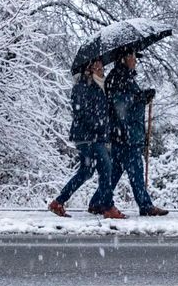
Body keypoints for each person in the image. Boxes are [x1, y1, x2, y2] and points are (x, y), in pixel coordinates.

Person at [49, 59, 127, 219]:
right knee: (106, 168)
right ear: (89, 69)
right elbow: (80, 112)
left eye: (101, 65)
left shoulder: (101, 86)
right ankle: (108, 207)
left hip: (95, 136)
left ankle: (58, 202)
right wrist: (99, 125)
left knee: (86, 171)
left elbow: (103, 112)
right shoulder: (82, 86)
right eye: (96, 66)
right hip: (88, 136)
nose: (101, 68)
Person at [101, 49, 169, 216]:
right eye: (132, 56)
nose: (135, 60)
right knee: (136, 172)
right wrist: (140, 97)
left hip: (124, 134)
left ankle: (98, 202)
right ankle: (145, 206)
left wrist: (143, 98)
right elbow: (119, 105)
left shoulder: (125, 77)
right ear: (123, 59)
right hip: (126, 135)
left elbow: (129, 104)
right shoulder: (118, 78)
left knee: (115, 172)